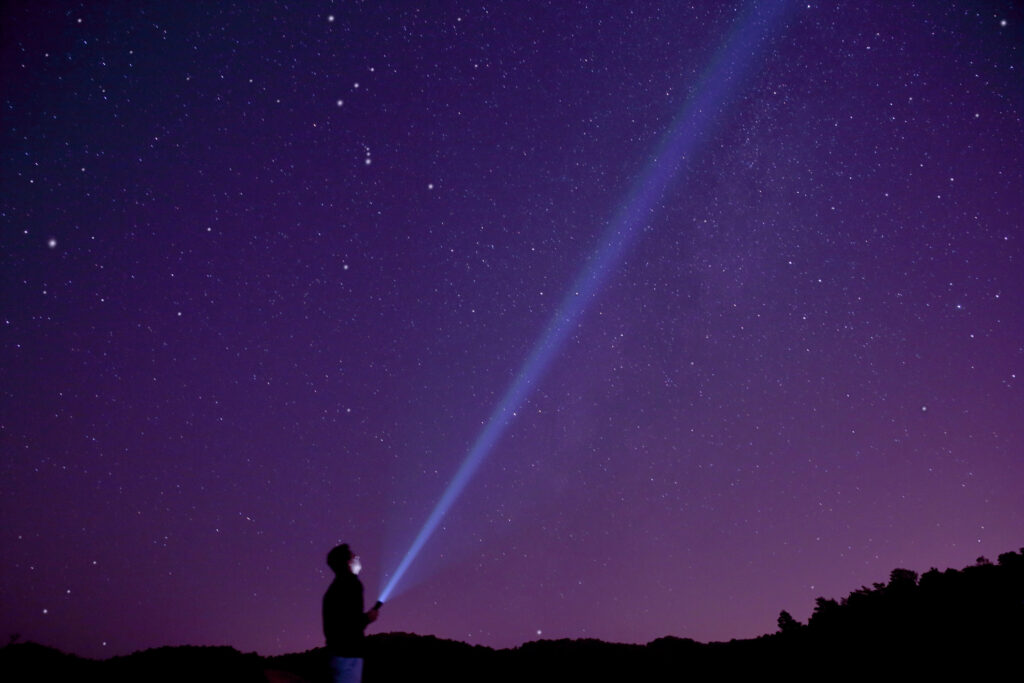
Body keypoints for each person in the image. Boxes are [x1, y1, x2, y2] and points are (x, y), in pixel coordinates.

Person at [323, 543, 379, 683]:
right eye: (354, 556)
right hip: (348, 656)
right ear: (348, 562)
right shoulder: (352, 583)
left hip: (337, 654)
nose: (357, 558)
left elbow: (339, 622)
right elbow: (350, 623)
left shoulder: (332, 589)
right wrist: (368, 618)